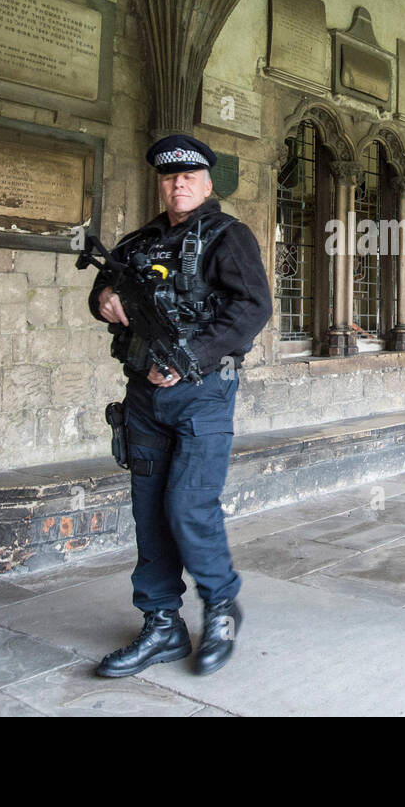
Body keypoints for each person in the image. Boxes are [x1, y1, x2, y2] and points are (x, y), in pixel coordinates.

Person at [88, 133, 271, 677]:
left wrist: (189, 354)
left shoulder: (227, 236)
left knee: (188, 506)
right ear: (160, 184)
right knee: (149, 513)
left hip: (202, 394)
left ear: (207, 183)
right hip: (143, 397)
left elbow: (253, 308)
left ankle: (220, 607)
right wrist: (104, 299)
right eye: (170, 177)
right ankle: (162, 624)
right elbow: (100, 292)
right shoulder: (138, 241)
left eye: (189, 175)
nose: (179, 183)